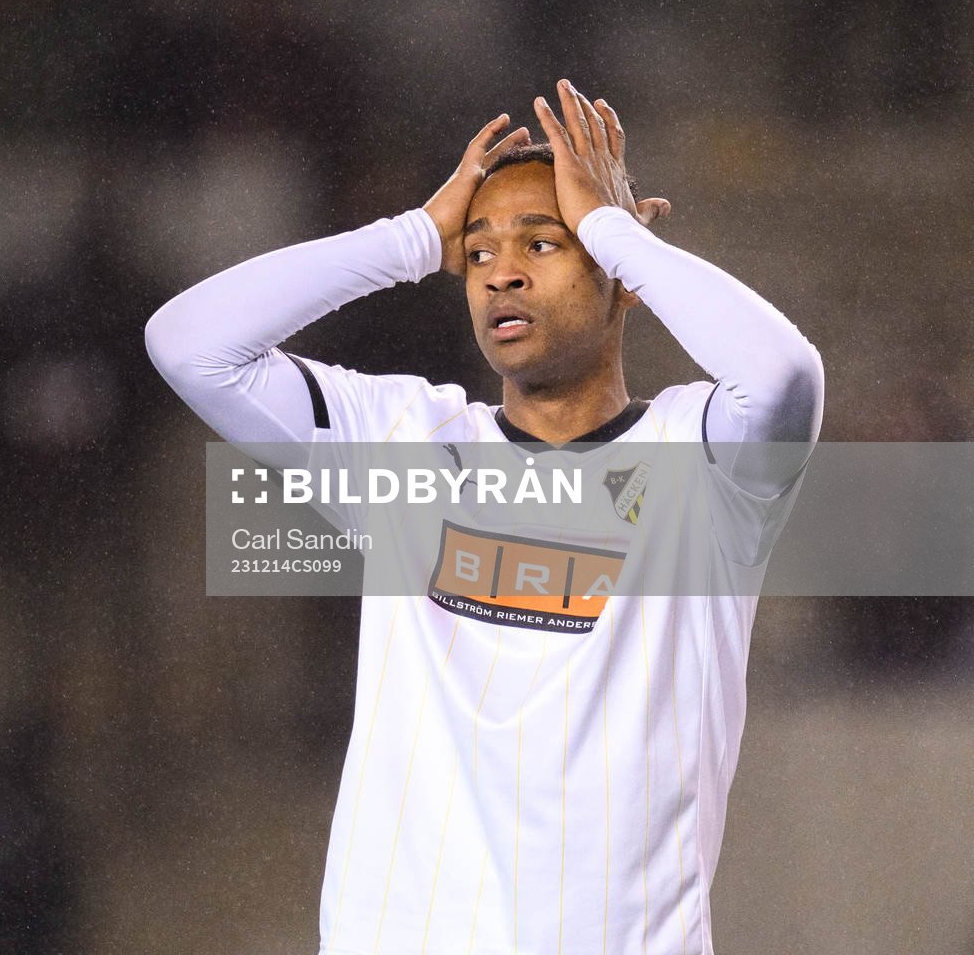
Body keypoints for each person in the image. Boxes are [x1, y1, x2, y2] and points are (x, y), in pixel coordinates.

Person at [145, 81, 822, 952]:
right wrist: (412, 238)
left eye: (543, 242)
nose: (501, 271)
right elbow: (189, 344)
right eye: (478, 253)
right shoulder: (401, 441)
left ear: (626, 278)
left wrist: (616, 232)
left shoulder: (703, 462)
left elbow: (785, 377)